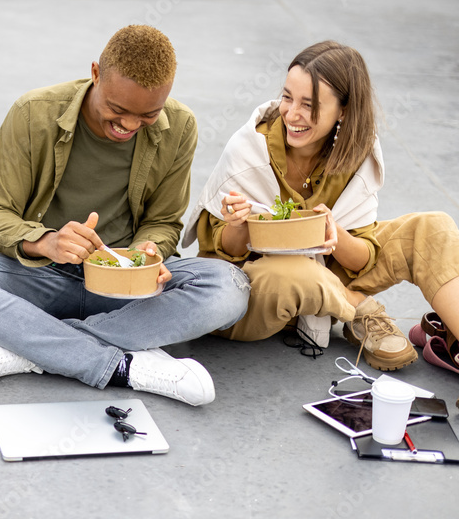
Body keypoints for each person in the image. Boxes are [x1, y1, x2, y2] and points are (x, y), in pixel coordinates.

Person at [0, 25, 249, 406]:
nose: (128, 125)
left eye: (147, 115)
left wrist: (149, 250)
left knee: (231, 286)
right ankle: (125, 366)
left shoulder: (180, 125)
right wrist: (48, 242)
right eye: (118, 109)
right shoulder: (32, 113)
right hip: (40, 278)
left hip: (126, 290)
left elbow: (164, 222)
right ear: (95, 73)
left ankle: (29, 346)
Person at [182, 40, 459, 374]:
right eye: (287, 97)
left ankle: (449, 336)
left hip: (327, 272)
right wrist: (239, 225)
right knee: (295, 270)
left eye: (308, 105)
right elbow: (220, 257)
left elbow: (362, 258)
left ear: (343, 110)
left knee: (434, 228)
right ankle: (359, 310)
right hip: (257, 293)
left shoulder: (356, 153)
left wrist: (334, 233)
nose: (292, 114)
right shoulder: (249, 151)